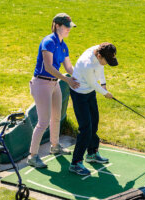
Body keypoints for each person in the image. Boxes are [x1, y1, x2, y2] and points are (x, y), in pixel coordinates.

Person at [28, 13, 80, 168]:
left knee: (57, 116)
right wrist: (68, 80)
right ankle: (32, 156)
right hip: (42, 84)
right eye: (66, 27)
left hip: (54, 84)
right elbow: (49, 67)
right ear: (57, 26)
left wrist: (81, 76)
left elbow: (69, 67)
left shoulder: (63, 45)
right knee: (43, 122)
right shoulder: (48, 42)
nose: (69, 30)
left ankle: (55, 146)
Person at [69, 42, 118, 175]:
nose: (106, 63)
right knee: (85, 128)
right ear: (99, 56)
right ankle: (75, 163)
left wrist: (104, 84)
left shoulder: (99, 52)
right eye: (106, 61)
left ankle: (91, 153)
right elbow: (92, 82)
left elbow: (100, 68)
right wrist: (105, 93)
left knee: (94, 122)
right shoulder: (87, 63)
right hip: (79, 94)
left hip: (90, 92)